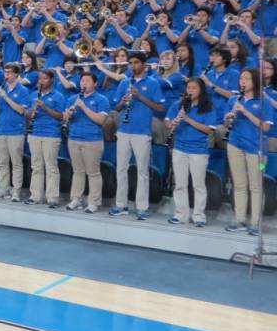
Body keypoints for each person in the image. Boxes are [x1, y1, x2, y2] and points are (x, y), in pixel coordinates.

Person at [109, 52, 164, 220]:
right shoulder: (124, 82)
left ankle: (142, 207)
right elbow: (116, 109)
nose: (133, 66)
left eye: (136, 63)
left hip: (142, 132)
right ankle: (121, 204)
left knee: (142, 171)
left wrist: (140, 97)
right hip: (124, 130)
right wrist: (123, 102)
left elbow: (160, 108)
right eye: (131, 63)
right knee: (121, 169)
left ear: (144, 64)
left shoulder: (153, 83)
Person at [223, 69, 273, 236]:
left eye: (247, 78)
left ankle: (255, 223)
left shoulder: (264, 101)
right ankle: (240, 220)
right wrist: (228, 119)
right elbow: (226, 124)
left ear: (255, 81)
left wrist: (245, 112)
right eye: (241, 78)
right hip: (235, 144)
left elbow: (266, 127)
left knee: (256, 186)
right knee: (239, 184)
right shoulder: (233, 99)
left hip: (257, 148)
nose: (242, 81)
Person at [165, 77, 216, 227]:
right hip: (180, 148)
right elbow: (167, 122)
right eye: (188, 88)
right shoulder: (178, 105)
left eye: (194, 88)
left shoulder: (208, 107)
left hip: (199, 150)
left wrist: (187, 119)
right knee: (180, 184)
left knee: (198, 185)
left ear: (201, 90)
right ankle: (181, 214)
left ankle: (199, 216)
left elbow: (208, 130)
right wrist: (172, 123)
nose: (190, 91)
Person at [65, 71, 110, 213]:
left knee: (93, 172)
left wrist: (83, 107)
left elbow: (100, 120)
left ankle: (94, 202)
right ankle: (76, 199)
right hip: (74, 138)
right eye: (82, 81)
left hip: (92, 140)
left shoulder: (101, 99)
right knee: (78, 171)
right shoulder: (73, 98)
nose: (84, 83)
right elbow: (65, 118)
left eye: (87, 81)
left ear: (95, 83)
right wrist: (69, 114)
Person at [0, 63, 31, 201]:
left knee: (16, 163)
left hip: (16, 132)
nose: (6, 75)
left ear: (16, 74)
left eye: (9, 72)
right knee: (2, 163)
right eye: (5, 72)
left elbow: (21, 110)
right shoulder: (0, 89)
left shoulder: (23, 90)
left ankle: (16, 191)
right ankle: (4, 188)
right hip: (1, 130)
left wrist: (6, 97)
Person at [26, 69, 65, 207]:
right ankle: (35, 195)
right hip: (35, 133)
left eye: (44, 79)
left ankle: (52, 197)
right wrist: (31, 112)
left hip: (51, 134)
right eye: (40, 79)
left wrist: (45, 107)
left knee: (51, 167)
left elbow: (61, 116)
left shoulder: (58, 96)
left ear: (51, 80)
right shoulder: (33, 95)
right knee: (36, 166)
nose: (41, 81)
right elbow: (27, 116)